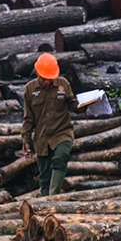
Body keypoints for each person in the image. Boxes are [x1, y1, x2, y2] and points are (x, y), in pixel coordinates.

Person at [21, 52, 83, 196]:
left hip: (62, 133)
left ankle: (53, 196)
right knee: (44, 179)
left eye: (50, 79)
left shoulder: (63, 84)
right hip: (42, 139)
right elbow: (28, 118)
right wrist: (26, 141)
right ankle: (47, 206)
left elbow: (73, 105)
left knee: (60, 157)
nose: (48, 82)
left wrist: (85, 104)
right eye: (44, 79)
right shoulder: (30, 89)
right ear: (37, 73)